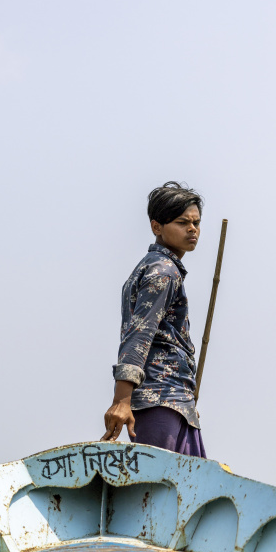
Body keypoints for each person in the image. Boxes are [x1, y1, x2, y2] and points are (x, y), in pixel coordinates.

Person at [101, 181, 206, 457]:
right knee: (166, 489)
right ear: (156, 226)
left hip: (175, 399)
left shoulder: (157, 267)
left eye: (196, 222)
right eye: (183, 222)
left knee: (187, 485)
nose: (192, 229)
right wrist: (121, 400)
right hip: (160, 397)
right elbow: (140, 334)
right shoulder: (163, 271)